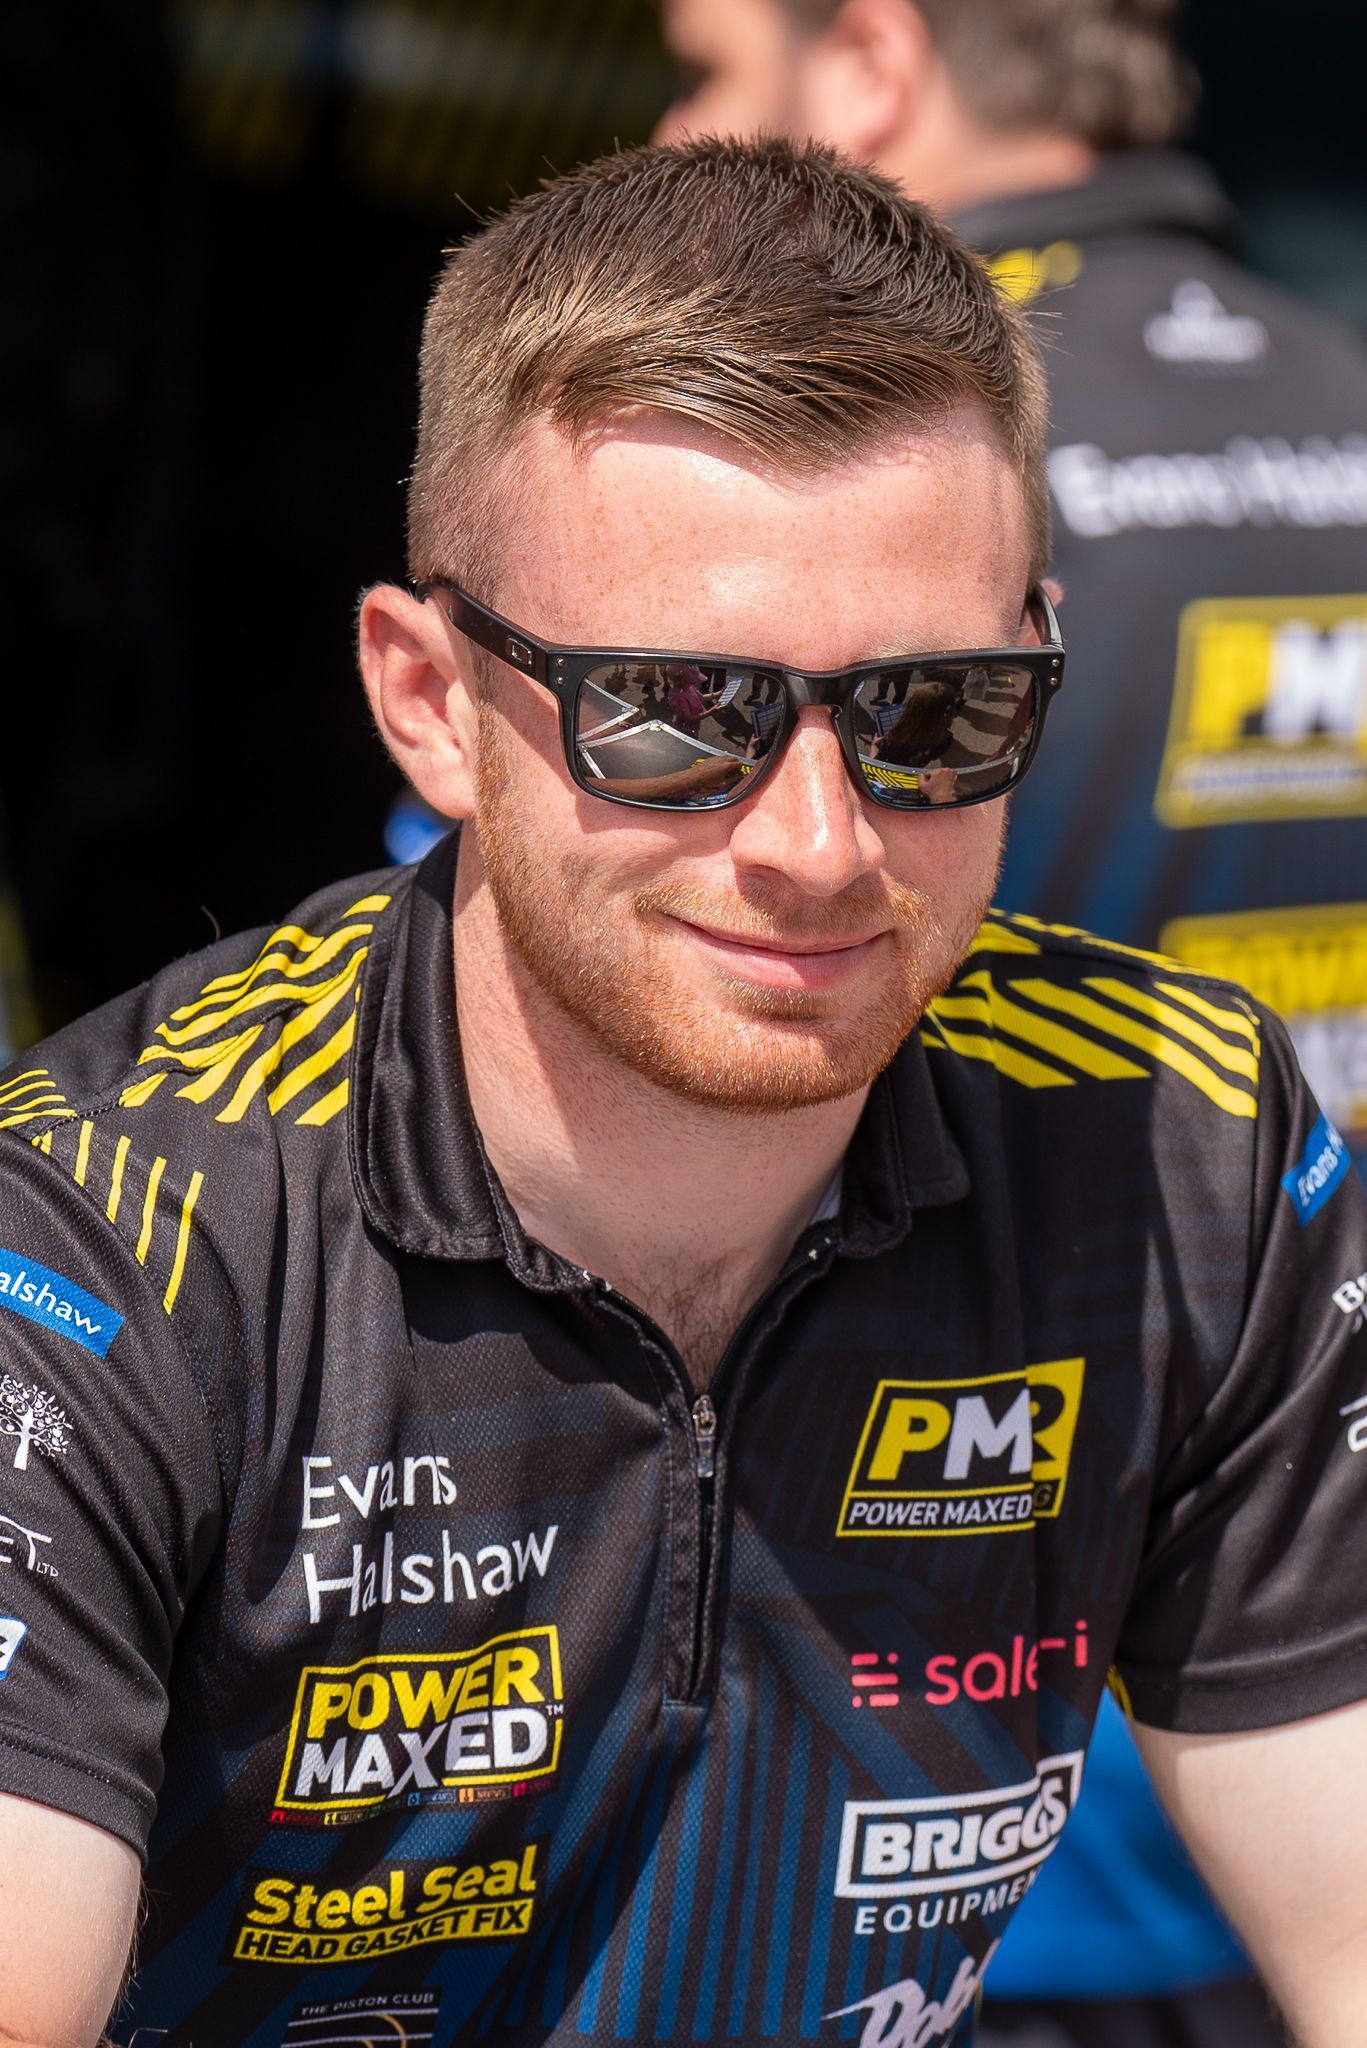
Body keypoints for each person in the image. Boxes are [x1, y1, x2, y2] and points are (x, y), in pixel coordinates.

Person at [0, 138, 1364, 2048]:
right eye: (673, 717)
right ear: (426, 701)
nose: (817, 844)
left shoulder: (1177, 1151)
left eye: (933, 715)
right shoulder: (112, 1237)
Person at [654, 6, 1367, 2035]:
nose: (681, 128)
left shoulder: (851, 515)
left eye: (712, 65)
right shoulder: (1348, 394)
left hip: (930, 1772)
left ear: (871, 63)